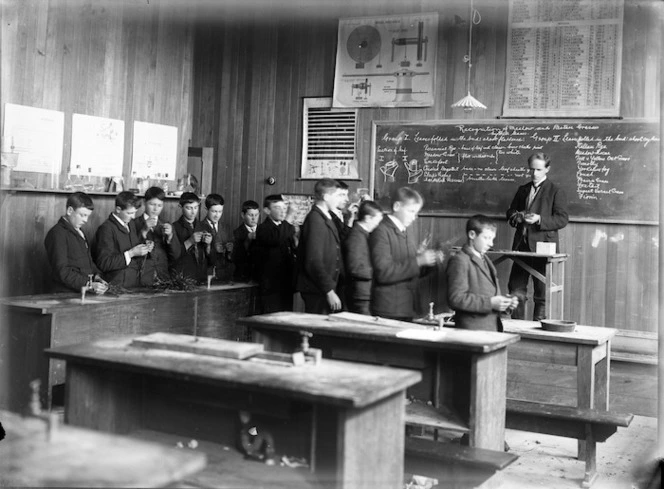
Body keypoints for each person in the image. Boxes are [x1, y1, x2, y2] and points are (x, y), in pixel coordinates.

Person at [506, 152, 569, 320]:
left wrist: (539, 219)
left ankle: (538, 333)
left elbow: (562, 219)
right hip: (521, 247)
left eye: (539, 170)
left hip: (543, 249)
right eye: (532, 169)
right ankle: (517, 329)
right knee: (515, 289)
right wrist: (516, 216)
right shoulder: (523, 190)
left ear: (547, 169)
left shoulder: (555, 191)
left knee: (542, 293)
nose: (534, 173)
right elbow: (510, 212)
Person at [370, 187, 440, 321]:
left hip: (406, 307)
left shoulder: (406, 231)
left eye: (416, 213)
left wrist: (429, 262)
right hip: (389, 309)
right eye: (411, 211)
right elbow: (384, 273)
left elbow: (410, 270)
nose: (414, 217)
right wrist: (419, 261)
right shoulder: (381, 231)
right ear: (397, 206)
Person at [446, 215, 519, 332]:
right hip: (472, 332)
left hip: (491, 329)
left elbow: (488, 293)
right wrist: (490, 303)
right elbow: (455, 299)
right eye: (487, 238)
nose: (491, 244)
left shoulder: (485, 259)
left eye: (492, 239)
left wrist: (504, 303)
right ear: (472, 235)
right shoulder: (460, 260)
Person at [296, 178, 346, 314]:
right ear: (326, 197)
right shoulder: (315, 220)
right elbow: (313, 261)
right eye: (337, 196)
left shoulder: (324, 217)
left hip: (322, 287)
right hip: (318, 290)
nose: (339, 200)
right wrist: (329, 291)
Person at [44, 192, 108, 294]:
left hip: (81, 292)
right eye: (82, 215)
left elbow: (88, 262)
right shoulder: (57, 234)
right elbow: (62, 271)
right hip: (65, 294)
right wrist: (89, 284)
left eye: (88, 216)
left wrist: (97, 276)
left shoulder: (80, 232)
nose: (86, 220)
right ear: (70, 210)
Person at [95, 191, 155, 287]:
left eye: (135, 213)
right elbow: (104, 263)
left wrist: (144, 246)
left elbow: (133, 246)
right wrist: (131, 253)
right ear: (118, 209)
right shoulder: (106, 229)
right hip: (117, 285)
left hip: (134, 282)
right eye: (129, 213)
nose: (133, 216)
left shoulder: (130, 223)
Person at [255, 194, 297, 313]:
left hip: (286, 284)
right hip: (271, 286)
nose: (283, 211)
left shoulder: (287, 228)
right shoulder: (263, 228)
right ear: (267, 210)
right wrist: (289, 216)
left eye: (284, 208)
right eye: (277, 208)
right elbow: (277, 239)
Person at [343, 200, 383, 315]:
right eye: (377, 220)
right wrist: (379, 271)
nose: (378, 224)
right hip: (361, 295)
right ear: (368, 218)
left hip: (364, 293)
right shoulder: (356, 237)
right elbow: (355, 268)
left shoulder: (362, 235)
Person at [133, 186, 181, 281]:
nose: (155, 209)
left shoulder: (166, 224)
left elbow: (176, 255)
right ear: (144, 203)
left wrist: (170, 237)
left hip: (163, 276)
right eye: (152, 204)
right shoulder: (134, 223)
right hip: (141, 277)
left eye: (159, 206)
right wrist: (144, 231)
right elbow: (130, 250)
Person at [172, 192, 208, 283]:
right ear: (181, 207)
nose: (193, 212)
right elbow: (172, 255)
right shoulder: (174, 227)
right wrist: (190, 241)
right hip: (183, 277)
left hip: (201, 275)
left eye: (196, 207)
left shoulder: (204, 226)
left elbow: (211, 257)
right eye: (189, 208)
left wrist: (209, 245)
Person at [199, 193, 233, 282]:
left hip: (223, 274)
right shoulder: (199, 227)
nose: (217, 215)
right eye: (214, 211)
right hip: (205, 275)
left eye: (220, 211)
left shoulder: (226, 228)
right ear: (206, 209)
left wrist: (230, 250)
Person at [232, 200, 260, 282]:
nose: (254, 218)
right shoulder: (236, 233)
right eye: (250, 215)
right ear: (243, 215)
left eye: (256, 215)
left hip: (260, 276)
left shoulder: (264, 230)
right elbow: (236, 258)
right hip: (242, 276)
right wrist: (247, 240)